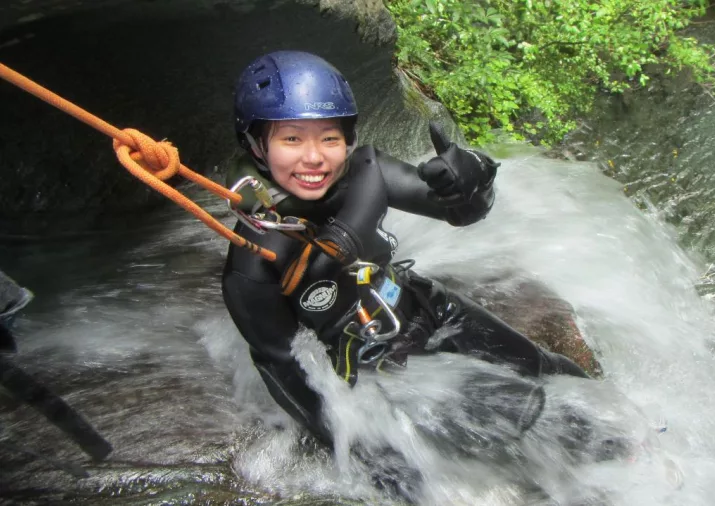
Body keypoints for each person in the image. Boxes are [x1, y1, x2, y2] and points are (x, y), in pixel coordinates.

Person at [221, 51, 588, 447]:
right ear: (257, 146)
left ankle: (635, 435)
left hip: (427, 305)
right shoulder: (252, 265)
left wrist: (473, 179)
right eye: (291, 138)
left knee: (545, 369)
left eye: (329, 137)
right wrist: (358, 449)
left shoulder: (364, 173)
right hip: (377, 366)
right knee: (520, 420)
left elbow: (460, 211)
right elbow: (284, 371)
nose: (313, 157)